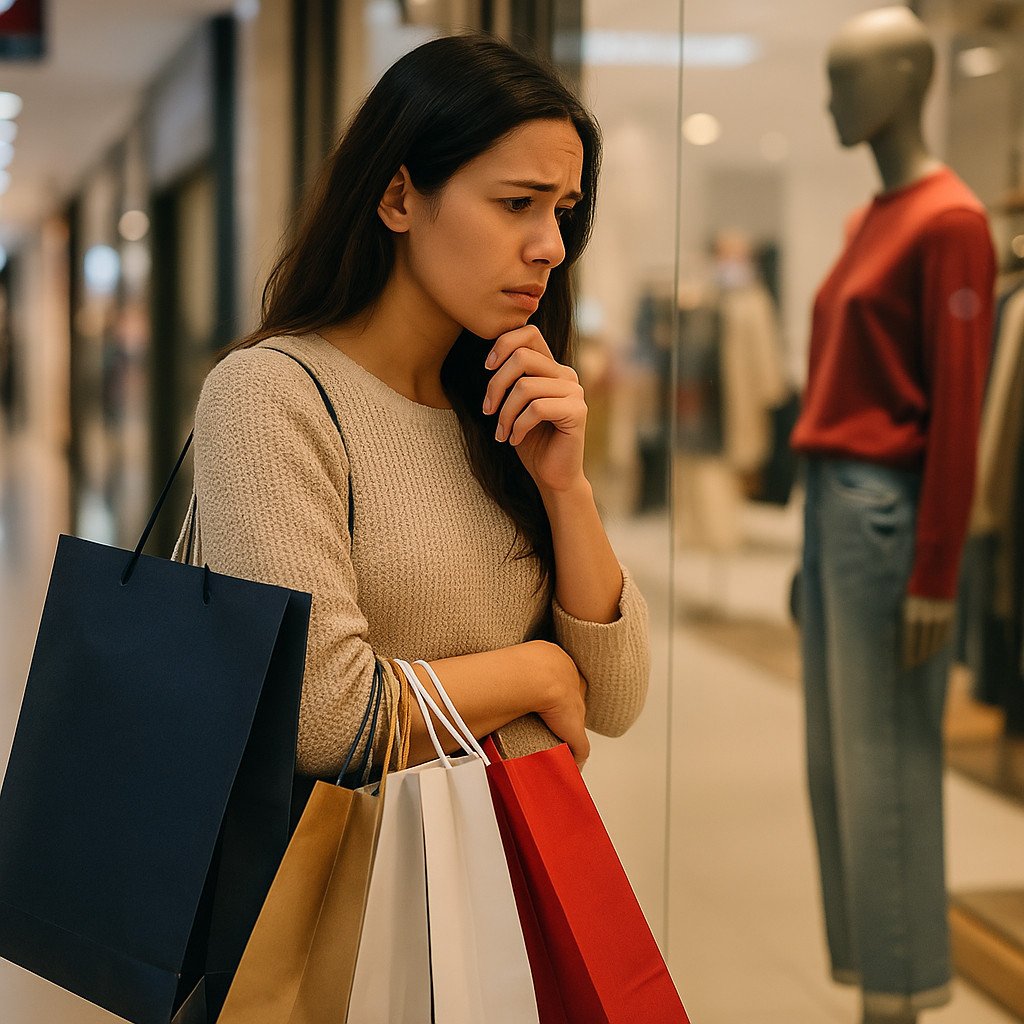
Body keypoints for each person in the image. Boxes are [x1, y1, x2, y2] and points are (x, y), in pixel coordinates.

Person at [174, 33, 650, 778]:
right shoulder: (271, 395)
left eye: (562, 210)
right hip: (361, 883)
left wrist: (566, 489)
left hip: (506, 867)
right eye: (516, 203)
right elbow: (321, 720)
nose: (551, 246)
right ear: (398, 197)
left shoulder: (498, 402)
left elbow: (617, 698)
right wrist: (538, 674)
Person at [790, 8, 995, 1023]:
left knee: (887, 766)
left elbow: (959, 408)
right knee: (833, 765)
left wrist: (936, 568)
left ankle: (899, 990)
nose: (831, 100)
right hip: (832, 505)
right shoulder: (872, 217)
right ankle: (878, 981)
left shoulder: (950, 222)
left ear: (909, 78)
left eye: (847, 79)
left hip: (884, 516)